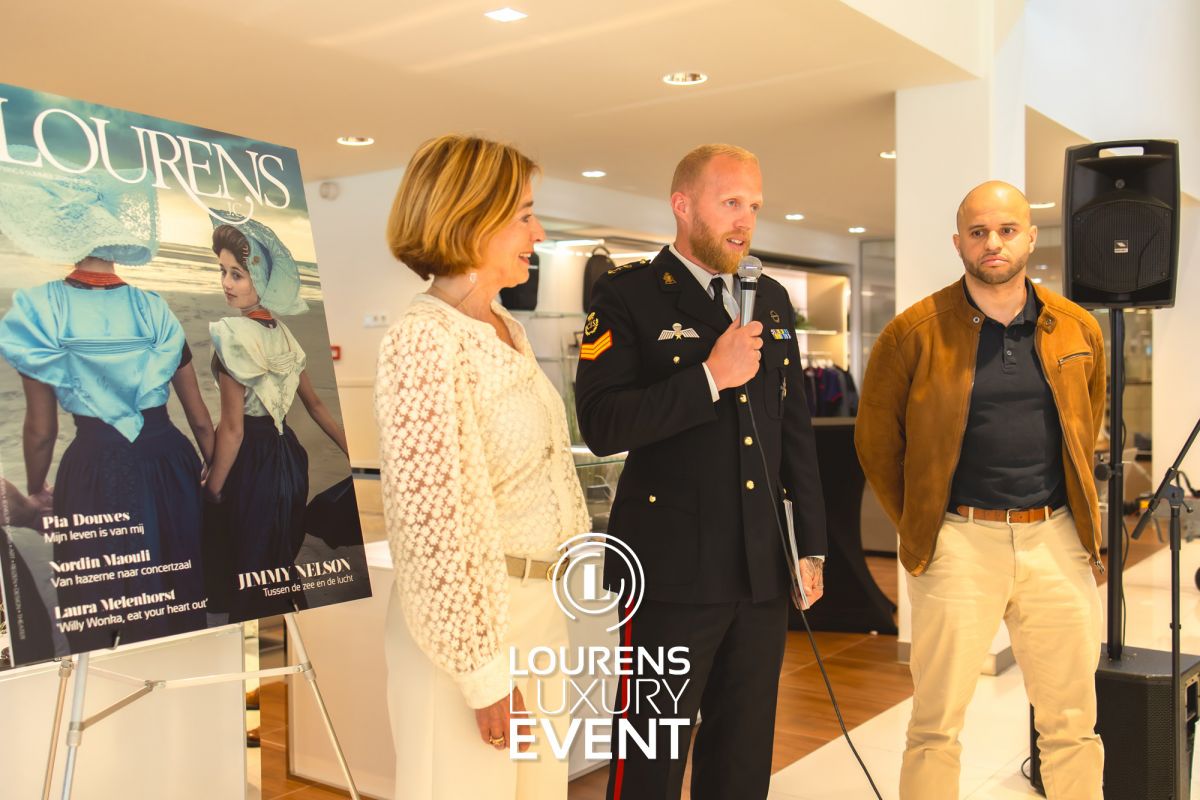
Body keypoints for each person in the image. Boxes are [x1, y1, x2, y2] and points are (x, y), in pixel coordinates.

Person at [574, 143, 828, 800]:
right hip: (670, 573)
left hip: (760, 569)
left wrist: (811, 546)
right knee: (652, 756)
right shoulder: (627, 294)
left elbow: (793, 429)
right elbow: (601, 424)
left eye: (754, 206)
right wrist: (710, 377)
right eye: (731, 202)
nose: (746, 221)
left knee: (743, 754)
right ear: (682, 205)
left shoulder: (770, 298)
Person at [855, 181, 1106, 800]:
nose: (993, 242)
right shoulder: (913, 333)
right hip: (959, 543)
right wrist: (925, 525)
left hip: (1055, 540)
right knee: (935, 726)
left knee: (1073, 725)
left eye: (1006, 230)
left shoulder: (1076, 328)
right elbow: (877, 444)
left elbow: (1087, 422)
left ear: (1030, 237)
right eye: (978, 232)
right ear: (958, 242)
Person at [375, 134, 591, 800]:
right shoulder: (424, 338)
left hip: (535, 611)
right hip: (469, 631)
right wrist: (483, 675)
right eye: (524, 215)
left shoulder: (504, 326)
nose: (538, 232)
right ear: (470, 219)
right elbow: (432, 527)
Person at [0, 148, 214, 651]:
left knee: (96, 598)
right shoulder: (154, 307)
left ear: (67, 238)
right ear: (117, 238)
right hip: (168, 458)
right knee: (174, 588)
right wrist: (211, 470)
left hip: (95, 464)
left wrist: (37, 488)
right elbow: (200, 417)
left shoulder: (40, 308)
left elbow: (42, 429)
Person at [203, 211, 348, 621]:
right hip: (289, 460)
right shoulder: (284, 335)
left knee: (245, 561)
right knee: (276, 557)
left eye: (237, 274)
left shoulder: (232, 337)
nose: (227, 283)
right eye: (223, 272)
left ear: (261, 280)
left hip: (251, 461)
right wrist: (352, 452)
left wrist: (213, 487)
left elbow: (233, 430)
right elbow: (315, 405)